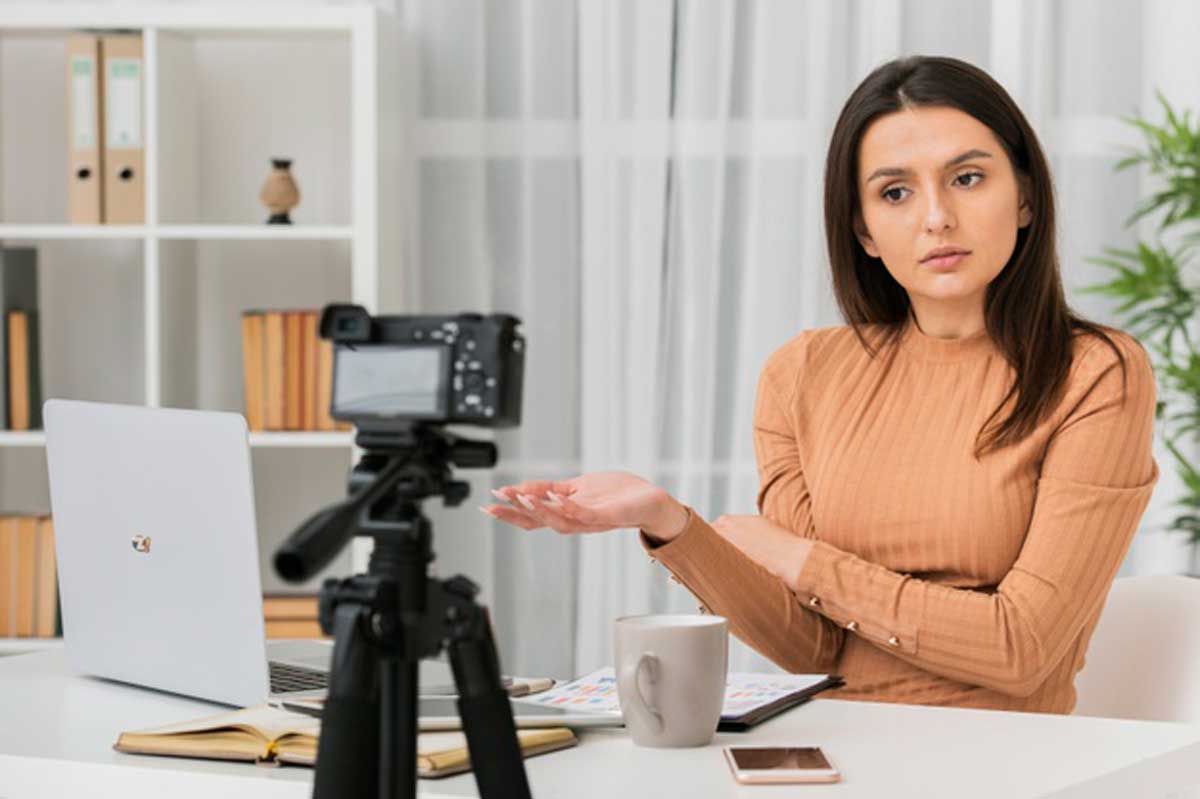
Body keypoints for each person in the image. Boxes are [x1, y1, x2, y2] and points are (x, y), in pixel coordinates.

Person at [479, 55, 1158, 714]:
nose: (935, 218)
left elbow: (1023, 649)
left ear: (1026, 198)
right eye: (895, 192)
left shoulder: (1095, 371)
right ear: (863, 229)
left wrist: (803, 560)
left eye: (968, 178)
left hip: (1009, 760)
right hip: (840, 744)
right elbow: (811, 647)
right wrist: (668, 521)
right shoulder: (804, 371)